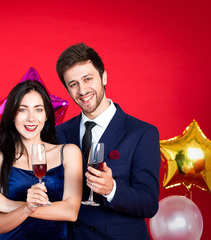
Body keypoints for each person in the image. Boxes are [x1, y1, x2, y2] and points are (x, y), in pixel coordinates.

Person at [55, 43, 161, 239]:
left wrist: (112, 189)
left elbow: (149, 204)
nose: (82, 90)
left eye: (88, 79)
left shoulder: (143, 133)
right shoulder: (60, 133)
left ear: (103, 77)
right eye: (73, 84)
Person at [0, 80, 83, 239]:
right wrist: (26, 208)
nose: (31, 118)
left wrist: (10, 205)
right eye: (23, 110)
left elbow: (70, 212)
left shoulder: (69, 152)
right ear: (12, 114)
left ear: (47, 115)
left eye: (38, 110)